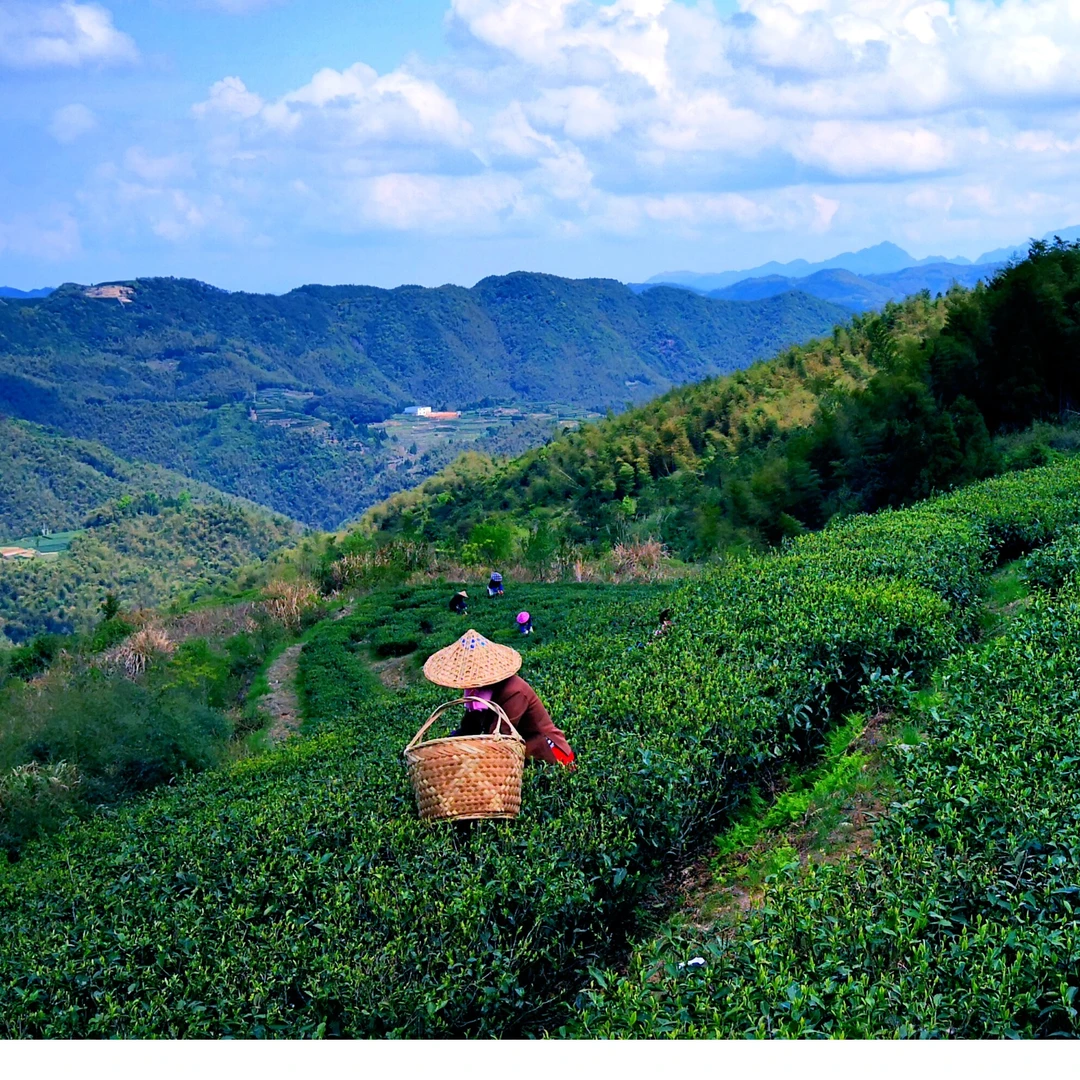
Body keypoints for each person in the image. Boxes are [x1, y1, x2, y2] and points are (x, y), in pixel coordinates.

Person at [423, 629, 575, 767]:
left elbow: (500, 736)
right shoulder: (478, 692)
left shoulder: (513, 691)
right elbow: (471, 724)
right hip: (524, 752)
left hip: (548, 754)